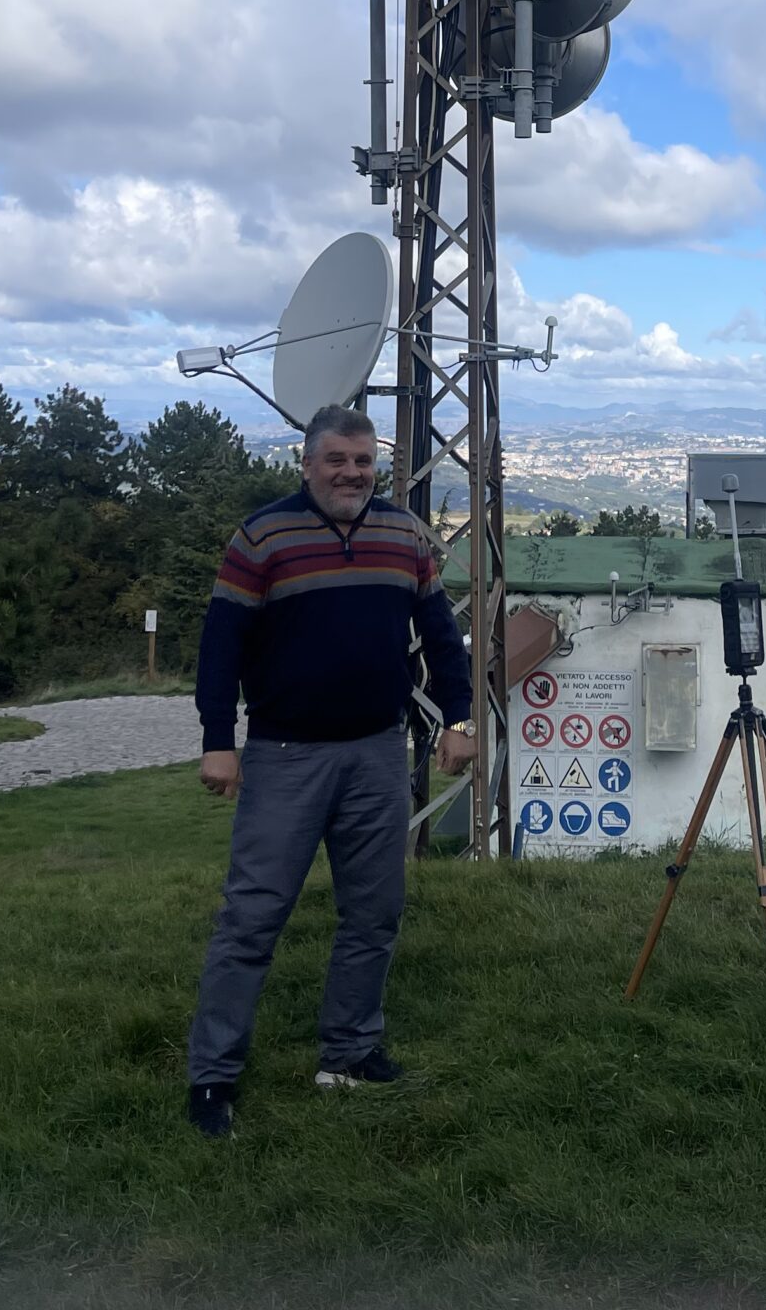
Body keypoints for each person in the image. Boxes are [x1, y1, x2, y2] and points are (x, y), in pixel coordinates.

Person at [184, 401, 475, 1138]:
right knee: (252, 919)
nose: (352, 473)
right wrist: (218, 740)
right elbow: (221, 645)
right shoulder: (263, 536)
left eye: (364, 461)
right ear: (307, 463)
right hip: (284, 756)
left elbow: (441, 635)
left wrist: (460, 719)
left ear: (377, 466)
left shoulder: (404, 535)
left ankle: (349, 1052)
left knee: (374, 914)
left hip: (378, 750)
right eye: (337, 460)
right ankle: (213, 1077)